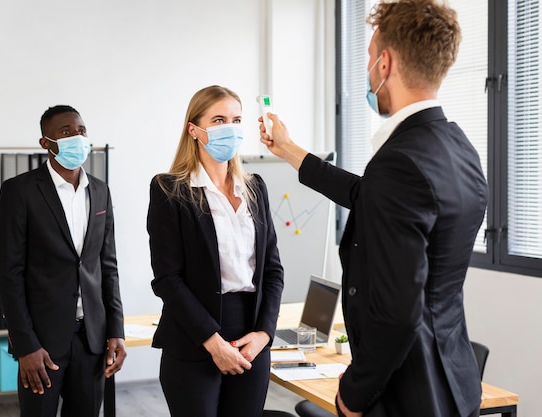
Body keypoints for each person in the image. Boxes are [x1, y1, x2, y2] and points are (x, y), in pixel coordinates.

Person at [259, 1, 488, 416]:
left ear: (385, 63)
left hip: (405, 393)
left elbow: (398, 313)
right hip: (455, 383)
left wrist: (352, 394)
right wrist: (289, 150)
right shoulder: (459, 149)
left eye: (367, 56)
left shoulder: (398, 162)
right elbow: (369, 197)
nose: (366, 67)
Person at [146, 85, 284, 417]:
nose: (230, 128)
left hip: (252, 336)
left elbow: (273, 270)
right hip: (196, 337)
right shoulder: (169, 189)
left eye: (236, 119)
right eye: (218, 119)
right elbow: (167, 279)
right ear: (194, 130)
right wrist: (213, 341)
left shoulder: (255, 187)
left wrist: (265, 333)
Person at [0, 105, 127, 417]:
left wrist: (116, 330)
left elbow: (107, 267)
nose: (77, 137)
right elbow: (9, 274)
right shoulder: (20, 191)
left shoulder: (100, 190)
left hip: (91, 339)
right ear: (46, 142)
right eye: (66, 131)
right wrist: (25, 345)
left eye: (81, 130)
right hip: (41, 342)